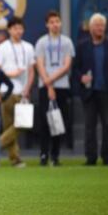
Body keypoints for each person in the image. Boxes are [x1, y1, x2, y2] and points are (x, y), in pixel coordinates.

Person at [35, 10, 75, 166]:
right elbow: (40, 64)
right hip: (44, 86)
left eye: (57, 21)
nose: (55, 24)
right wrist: (48, 84)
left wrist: (51, 81)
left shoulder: (66, 42)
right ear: (47, 25)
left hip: (62, 86)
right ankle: (43, 154)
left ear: (61, 23)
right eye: (52, 22)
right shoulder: (41, 42)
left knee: (59, 121)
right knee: (45, 121)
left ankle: (55, 155)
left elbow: (66, 66)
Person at [0, 17, 35, 168]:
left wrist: (28, 88)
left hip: (23, 92)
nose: (18, 31)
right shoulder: (2, 47)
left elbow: (31, 71)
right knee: (10, 125)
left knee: (23, 124)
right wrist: (11, 74)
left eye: (20, 28)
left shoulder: (29, 47)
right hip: (6, 91)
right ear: (9, 30)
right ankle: (15, 159)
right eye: (15, 28)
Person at [74, 13, 108, 166]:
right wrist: (81, 77)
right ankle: (91, 158)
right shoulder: (82, 46)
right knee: (90, 126)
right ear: (91, 28)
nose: (100, 28)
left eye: (102, 25)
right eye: (97, 25)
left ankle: (107, 157)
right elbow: (75, 69)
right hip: (89, 92)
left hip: (106, 92)